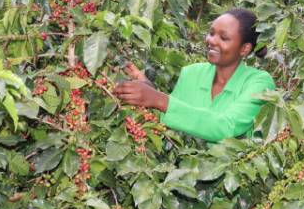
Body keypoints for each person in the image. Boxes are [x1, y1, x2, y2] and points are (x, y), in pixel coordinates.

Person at [114, 8, 275, 143]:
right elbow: (170, 122)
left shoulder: (259, 83)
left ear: (244, 49)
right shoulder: (191, 73)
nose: (212, 41)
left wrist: (157, 98)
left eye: (223, 37)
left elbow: (226, 127)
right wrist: (148, 92)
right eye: (211, 33)